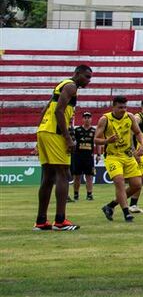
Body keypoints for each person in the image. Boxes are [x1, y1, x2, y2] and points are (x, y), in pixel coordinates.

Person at [34, 64, 92, 230]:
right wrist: (68, 138)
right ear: (77, 73)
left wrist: (38, 137)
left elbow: (45, 110)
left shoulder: (61, 85)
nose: (89, 81)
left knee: (48, 176)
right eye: (86, 76)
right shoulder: (71, 86)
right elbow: (59, 111)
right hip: (55, 133)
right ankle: (60, 221)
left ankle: (41, 220)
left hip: (44, 131)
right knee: (63, 173)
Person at [98, 96, 143, 223]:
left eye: (125, 107)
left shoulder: (130, 117)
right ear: (113, 107)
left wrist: (142, 144)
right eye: (120, 107)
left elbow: (138, 133)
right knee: (119, 182)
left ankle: (110, 206)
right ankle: (126, 213)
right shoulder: (105, 119)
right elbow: (96, 140)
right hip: (113, 156)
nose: (123, 110)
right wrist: (107, 141)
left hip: (128, 155)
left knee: (136, 185)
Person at [71, 112, 98, 202]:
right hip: (78, 156)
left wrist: (98, 154)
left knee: (89, 176)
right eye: (85, 117)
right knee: (77, 177)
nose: (87, 119)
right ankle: (76, 194)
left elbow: (97, 143)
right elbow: (72, 142)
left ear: (91, 119)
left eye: (89, 118)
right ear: (82, 119)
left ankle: (89, 194)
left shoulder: (94, 131)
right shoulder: (77, 130)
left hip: (89, 157)